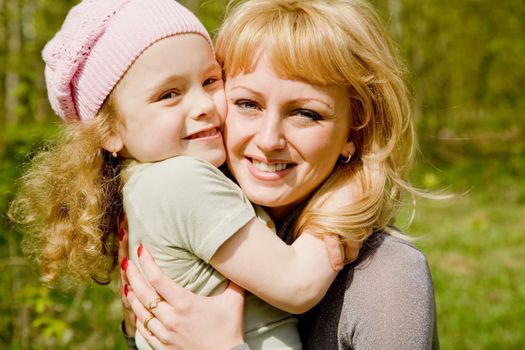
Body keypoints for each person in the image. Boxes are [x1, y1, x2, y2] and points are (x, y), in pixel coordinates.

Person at [8, 0, 360, 349]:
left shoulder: (140, 184)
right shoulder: (181, 182)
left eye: (209, 81)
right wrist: (352, 189)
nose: (204, 106)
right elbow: (297, 284)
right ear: (109, 131)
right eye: (169, 94)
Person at [122, 0, 439, 349]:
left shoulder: (388, 275)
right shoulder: (198, 227)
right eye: (248, 104)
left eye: (305, 113)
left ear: (355, 132)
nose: (269, 139)